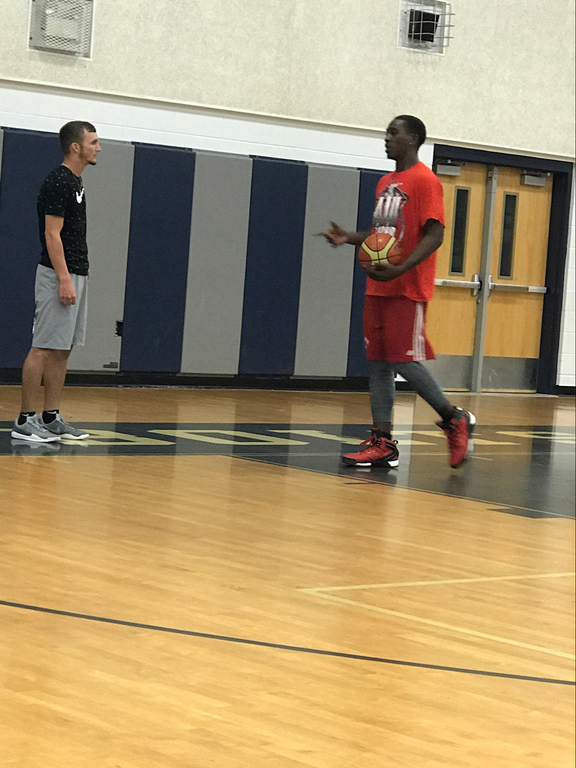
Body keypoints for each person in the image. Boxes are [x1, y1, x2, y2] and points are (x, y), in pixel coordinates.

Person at [322, 115, 475, 469]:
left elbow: (435, 235)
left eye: (394, 132)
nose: (386, 137)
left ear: (413, 139)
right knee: (378, 362)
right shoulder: (385, 183)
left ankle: (454, 418)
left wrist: (402, 268)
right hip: (379, 284)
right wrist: (349, 238)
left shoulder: (426, 181)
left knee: (402, 360)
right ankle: (383, 441)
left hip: (407, 287)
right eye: (387, 132)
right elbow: (383, 236)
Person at [11, 121, 101, 443]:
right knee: (43, 348)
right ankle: (25, 420)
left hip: (75, 272)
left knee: (62, 350)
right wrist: (64, 278)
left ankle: (50, 417)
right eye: (93, 142)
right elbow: (52, 234)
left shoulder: (76, 182)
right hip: (56, 275)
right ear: (76, 147)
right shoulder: (58, 181)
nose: (98, 148)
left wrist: (80, 271)